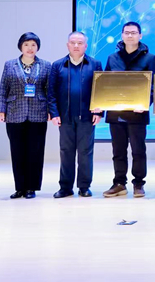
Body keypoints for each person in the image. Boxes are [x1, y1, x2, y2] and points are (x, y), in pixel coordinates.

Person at [102, 22, 155, 198]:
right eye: (126, 32)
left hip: (138, 113)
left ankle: (139, 183)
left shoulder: (150, 58)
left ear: (140, 36)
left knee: (138, 150)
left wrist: (146, 103)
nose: (130, 36)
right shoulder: (112, 58)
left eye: (133, 33)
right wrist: (102, 102)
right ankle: (119, 183)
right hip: (115, 113)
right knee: (118, 151)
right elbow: (105, 83)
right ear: (122, 35)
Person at [0, 32, 52, 199]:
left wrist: (51, 110)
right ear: (20, 46)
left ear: (38, 47)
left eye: (33, 45)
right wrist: (0, 109)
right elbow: (3, 88)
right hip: (14, 112)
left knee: (35, 152)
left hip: (38, 113)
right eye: (26, 44)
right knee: (17, 151)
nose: (30, 48)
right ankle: (20, 187)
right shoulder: (10, 65)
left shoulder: (46, 65)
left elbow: (50, 90)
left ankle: (31, 188)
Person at [47, 31, 103, 198]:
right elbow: (51, 92)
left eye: (80, 43)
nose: (76, 46)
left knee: (86, 152)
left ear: (86, 45)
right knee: (66, 151)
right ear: (68, 45)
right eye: (73, 42)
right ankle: (65, 187)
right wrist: (54, 113)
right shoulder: (58, 65)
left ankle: (84, 186)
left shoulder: (95, 64)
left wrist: (100, 112)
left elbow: (101, 90)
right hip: (65, 117)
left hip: (87, 117)